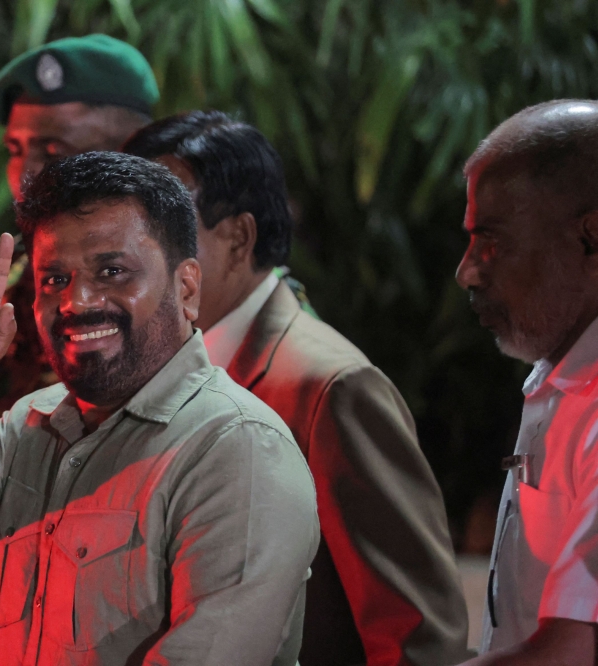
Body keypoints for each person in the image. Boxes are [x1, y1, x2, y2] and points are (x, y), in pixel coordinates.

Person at [0, 151, 320, 665]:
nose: (76, 301)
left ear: (186, 288)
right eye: (53, 279)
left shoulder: (240, 449)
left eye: (112, 270)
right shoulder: (37, 422)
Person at [124, 111, 470, 666]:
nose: (131, 259)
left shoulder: (328, 389)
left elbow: (416, 634)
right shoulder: (157, 363)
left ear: (238, 238)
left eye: (163, 231)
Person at [0, 34, 158, 666]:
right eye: (15, 150)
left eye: (54, 151)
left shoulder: (168, 309)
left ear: (132, 154)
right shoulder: (2, 297)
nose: (26, 176)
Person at [455, 100, 598, 665]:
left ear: (590, 238)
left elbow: (567, 654)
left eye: (490, 240)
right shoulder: (562, 375)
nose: (466, 270)